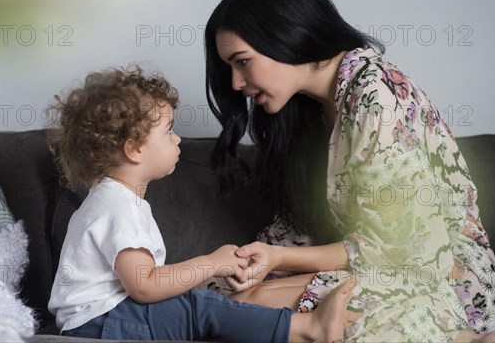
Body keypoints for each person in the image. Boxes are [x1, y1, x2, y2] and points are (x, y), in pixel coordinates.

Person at [204, 0, 495, 343]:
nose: (236, 83)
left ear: (284, 35)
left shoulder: (375, 95)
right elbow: (296, 231)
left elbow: (402, 249)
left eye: (243, 61)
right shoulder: (309, 112)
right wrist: (252, 262)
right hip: (384, 270)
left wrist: (277, 261)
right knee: (220, 299)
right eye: (229, 68)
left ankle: (468, 337)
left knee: (245, 308)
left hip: (449, 281)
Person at [46, 66, 356, 341]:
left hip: (102, 320)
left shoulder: (109, 199)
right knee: (203, 308)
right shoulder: (118, 206)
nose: (177, 139)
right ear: (134, 149)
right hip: (103, 324)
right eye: (168, 131)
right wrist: (212, 262)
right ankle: (308, 327)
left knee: (200, 307)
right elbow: (144, 285)